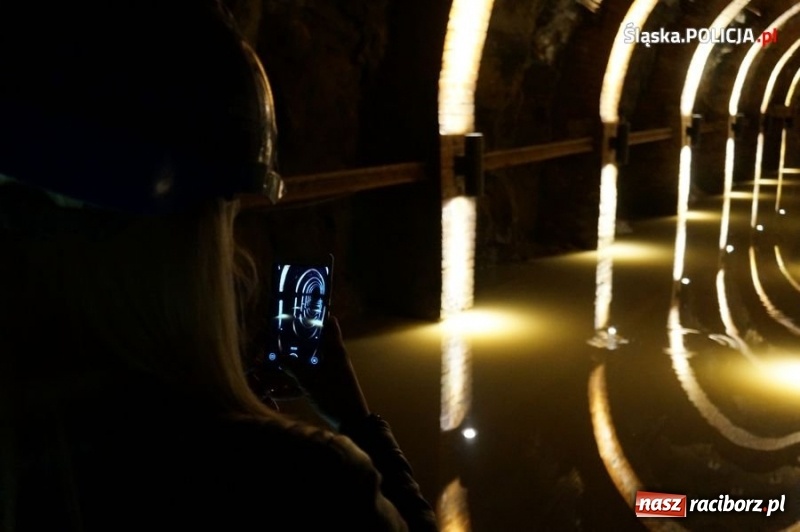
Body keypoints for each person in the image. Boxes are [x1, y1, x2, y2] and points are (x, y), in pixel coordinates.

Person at [0, 1, 438, 530]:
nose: (240, 260)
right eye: (228, 219)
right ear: (188, 239)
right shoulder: (299, 481)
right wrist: (355, 421)